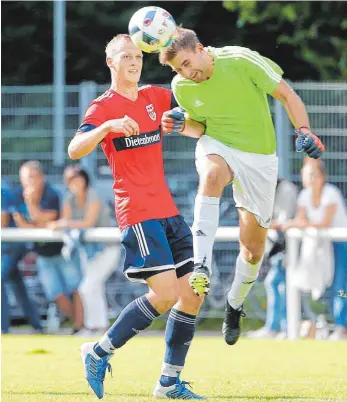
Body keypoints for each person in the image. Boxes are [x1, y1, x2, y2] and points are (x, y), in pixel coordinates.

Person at [159, 27, 325, 346]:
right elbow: (200, 129)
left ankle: (235, 304)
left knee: (252, 249)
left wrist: (304, 129)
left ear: (201, 48)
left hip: (260, 158)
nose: (185, 72)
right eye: (178, 69)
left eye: (186, 63)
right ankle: (201, 265)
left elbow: (287, 95)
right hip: (218, 144)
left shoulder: (240, 60)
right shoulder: (181, 86)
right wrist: (182, 125)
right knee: (210, 175)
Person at [68, 34, 205, 400]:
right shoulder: (102, 107)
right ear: (111, 62)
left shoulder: (155, 97)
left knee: (192, 293)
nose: (134, 61)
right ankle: (98, 352)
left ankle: (168, 383)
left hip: (168, 211)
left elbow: (193, 109)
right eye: (126, 56)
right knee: (164, 294)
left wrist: (188, 123)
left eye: (138, 56)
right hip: (138, 213)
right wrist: (106, 129)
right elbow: (74, 149)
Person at [13, 161, 84, 334]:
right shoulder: (17, 194)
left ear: (41, 177)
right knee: (55, 293)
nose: (28, 182)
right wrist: (39, 222)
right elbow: (22, 223)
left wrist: (32, 206)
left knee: (76, 288)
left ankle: (82, 326)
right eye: (24, 178)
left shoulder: (52, 194)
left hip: (62, 251)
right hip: (42, 253)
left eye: (31, 177)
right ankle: (80, 324)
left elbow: (49, 218)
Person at [48, 165, 119, 336]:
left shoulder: (93, 195)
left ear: (85, 179)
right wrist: (64, 223)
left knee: (87, 287)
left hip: (107, 248)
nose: (75, 183)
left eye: (78, 178)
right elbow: (65, 218)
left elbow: (88, 222)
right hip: (87, 249)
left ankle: (93, 326)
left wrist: (64, 224)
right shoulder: (68, 198)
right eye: (71, 179)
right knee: (94, 287)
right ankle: (99, 327)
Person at [282, 159, 347, 340]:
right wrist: (296, 223)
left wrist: (297, 223)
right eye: (307, 173)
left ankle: (341, 327)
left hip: (341, 244)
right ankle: (330, 326)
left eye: (314, 174)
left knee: (341, 286)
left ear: (322, 177)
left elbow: (323, 223)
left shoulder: (331, 193)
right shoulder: (304, 195)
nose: (310, 178)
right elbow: (301, 219)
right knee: (323, 285)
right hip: (321, 245)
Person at [248, 178, 298, 339]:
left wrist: (259, 224)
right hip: (277, 247)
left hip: (288, 247)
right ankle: (280, 327)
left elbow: (284, 221)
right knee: (279, 284)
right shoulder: (265, 189)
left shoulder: (286, 189)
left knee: (277, 283)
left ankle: (278, 328)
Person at [1, 185, 43, 334]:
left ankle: (2, 328)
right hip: (6, 246)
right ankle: (37, 325)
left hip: (12, 245)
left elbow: (3, 222)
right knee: (17, 284)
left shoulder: (2, 190)